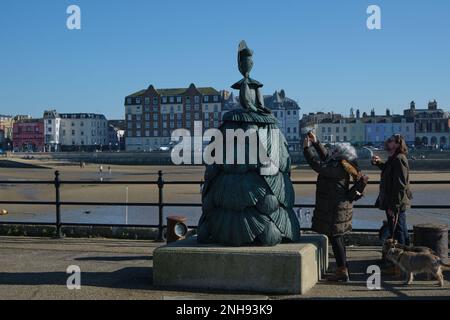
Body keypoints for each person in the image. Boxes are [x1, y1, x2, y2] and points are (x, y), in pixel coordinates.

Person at [303, 133, 369, 282]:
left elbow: (318, 165)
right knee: (337, 238)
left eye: (334, 150)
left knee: (336, 238)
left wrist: (307, 149)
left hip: (336, 207)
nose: (332, 151)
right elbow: (326, 157)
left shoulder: (340, 167)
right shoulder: (341, 163)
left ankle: (342, 271)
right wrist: (315, 142)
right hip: (337, 206)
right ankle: (342, 269)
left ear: (340, 154)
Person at [372, 134, 412, 246]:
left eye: (391, 140)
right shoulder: (394, 158)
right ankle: (405, 255)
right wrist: (379, 163)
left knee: (398, 230)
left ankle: (402, 257)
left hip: (396, 202)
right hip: (394, 201)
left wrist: (394, 206)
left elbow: (400, 185)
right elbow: (390, 171)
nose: (388, 142)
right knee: (401, 228)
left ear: (397, 144)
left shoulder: (399, 159)